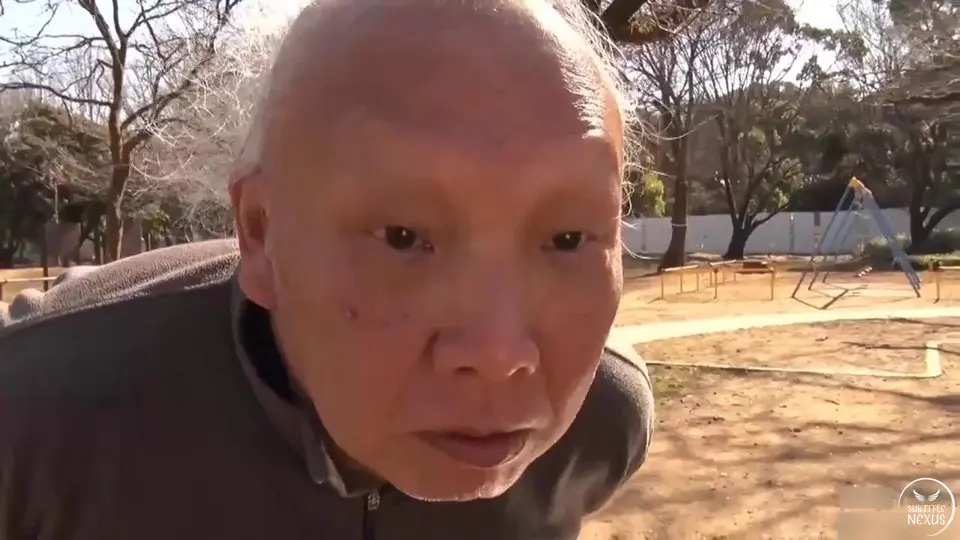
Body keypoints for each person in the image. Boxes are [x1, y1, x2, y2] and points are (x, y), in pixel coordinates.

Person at [0, 0, 655, 538]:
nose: (499, 355)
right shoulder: (36, 422)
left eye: (568, 239)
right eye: (403, 238)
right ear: (261, 232)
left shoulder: (601, 423)